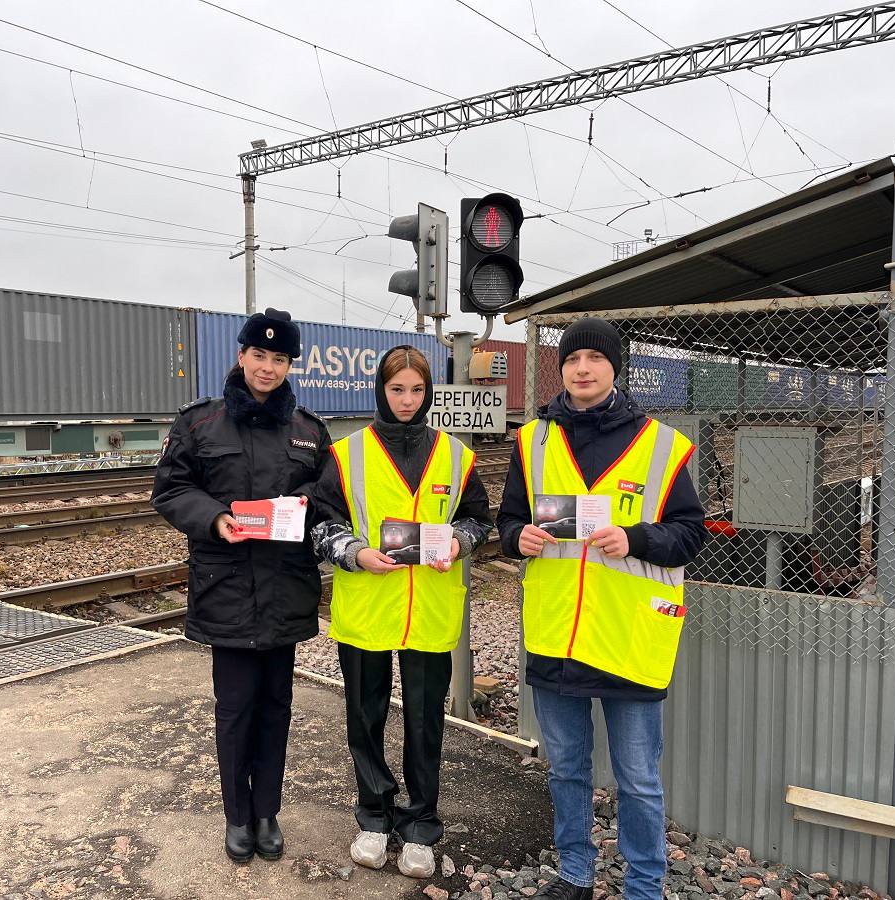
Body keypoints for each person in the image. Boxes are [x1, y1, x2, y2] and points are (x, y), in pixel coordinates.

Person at [496, 317, 707, 900]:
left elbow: (691, 534)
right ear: (559, 368)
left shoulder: (661, 443)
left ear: (615, 369)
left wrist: (635, 538)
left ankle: (645, 885)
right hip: (557, 635)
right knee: (566, 769)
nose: (582, 369)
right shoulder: (532, 440)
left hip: (626, 638)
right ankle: (575, 875)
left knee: (638, 780)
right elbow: (508, 521)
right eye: (572, 359)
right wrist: (520, 539)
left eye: (594, 358)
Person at [150, 308, 331, 865]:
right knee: (234, 710)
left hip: (284, 589)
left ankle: (267, 812)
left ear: (289, 364)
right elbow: (170, 488)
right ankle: (236, 816)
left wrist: (306, 507)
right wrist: (213, 518)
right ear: (241, 355)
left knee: (277, 707)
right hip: (225, 588)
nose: (268, 367)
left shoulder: (307, 431)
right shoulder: (199, 424)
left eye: (279, 359)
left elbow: (326, 500)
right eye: (259, 355)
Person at [312, 345, 493, 879]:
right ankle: (373, 814)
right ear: (381, 391)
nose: (408, 400)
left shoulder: (457, 456)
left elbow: (477, 518)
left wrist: (459, 542)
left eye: (417, 389)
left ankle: (420, 824)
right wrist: (355, 553)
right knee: (364, 719)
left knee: (424, 721)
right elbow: (322, 523)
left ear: (429, 390)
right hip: (369, 605)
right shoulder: (347, 454)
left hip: (430, 611)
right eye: (397, 389)